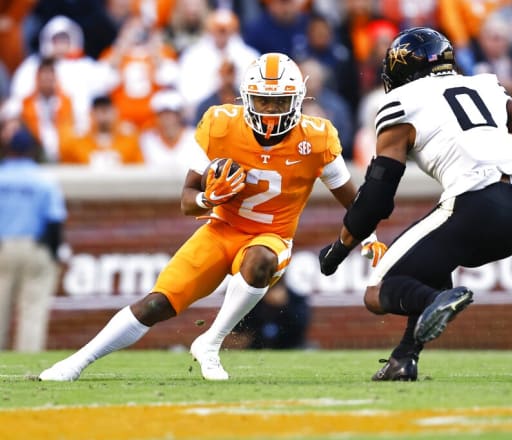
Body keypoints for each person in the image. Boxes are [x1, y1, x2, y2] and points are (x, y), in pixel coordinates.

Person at [39, 52, 386, 381]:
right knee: (156, 304)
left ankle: (211, 342)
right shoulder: (220, 124)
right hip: (222, 229)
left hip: (272, 236)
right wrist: (209, 197)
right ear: (247, 98)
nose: (270, 110)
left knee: (259, 261)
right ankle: (76, 361)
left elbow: (352, 199)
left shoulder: (316, 136)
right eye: (263, 100)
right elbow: (187, 200)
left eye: (279, 101)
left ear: (296, 101)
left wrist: (368, 236)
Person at [318, 27, 512, 381]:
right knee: (430, 267)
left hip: (474, 204)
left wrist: (339, 248)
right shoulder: (483, 88)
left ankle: (436, 303)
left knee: (376, 293)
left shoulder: (401, 104)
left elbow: (376, 199)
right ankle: (403, 359)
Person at [0, 128, 67, 352]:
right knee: (32, 311)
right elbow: (54, 220)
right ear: (31, 150)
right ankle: (26, 360)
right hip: (35, 245)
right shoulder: (43, 180)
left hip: (3, 247)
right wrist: (54, 254)